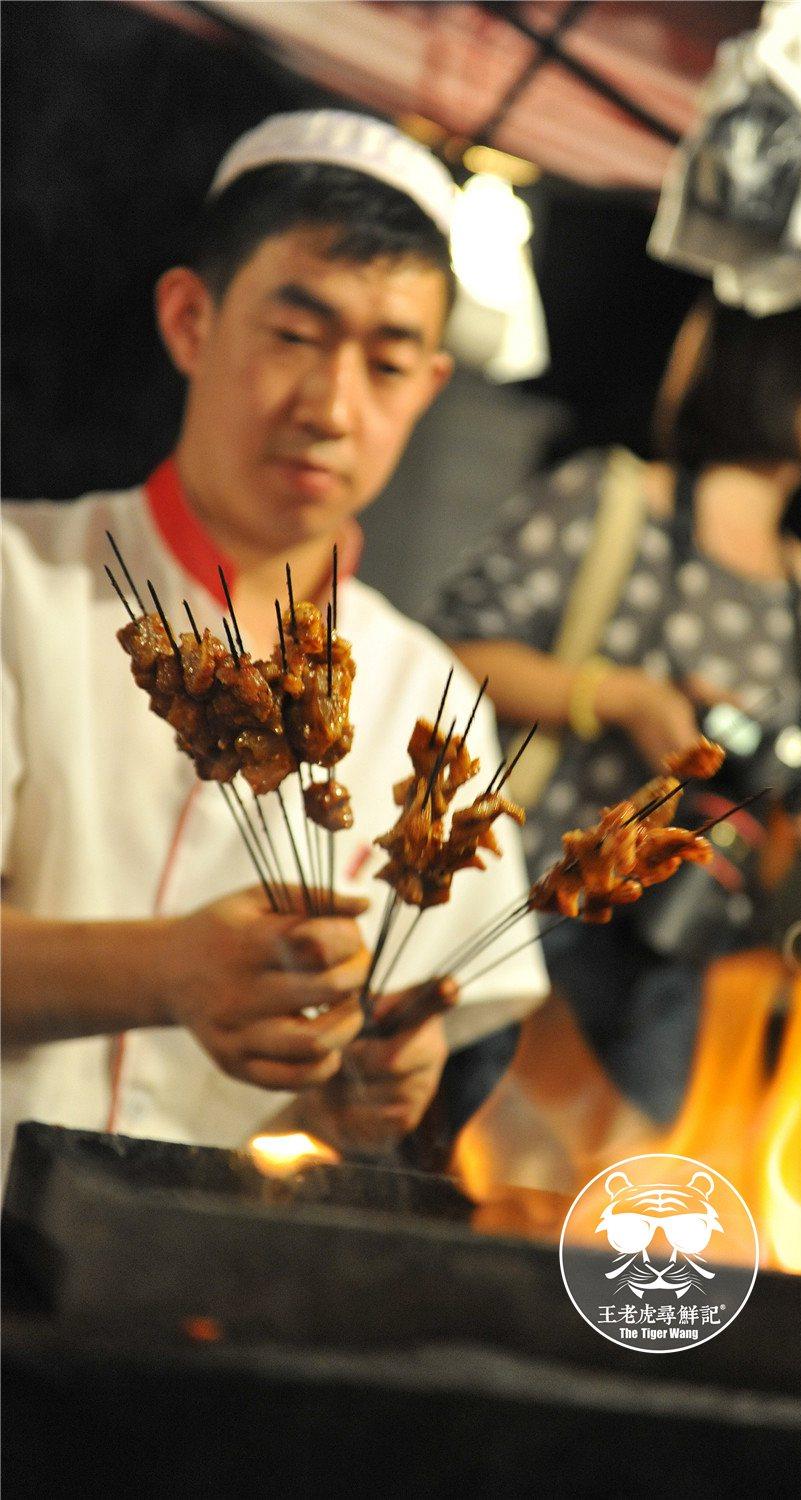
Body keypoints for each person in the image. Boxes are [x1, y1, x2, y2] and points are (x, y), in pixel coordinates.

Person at [1, 110, 547, 1174]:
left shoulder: (426, 695)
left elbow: (390, 1072)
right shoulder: (21, 582)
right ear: (191, 319)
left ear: (431, 386)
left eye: (387, 365)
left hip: (209, 1286)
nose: (330, 406)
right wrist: (165, 969)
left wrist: (371, 1089)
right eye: (295, 336)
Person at [427, 292, 801, 1118]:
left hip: (684, 958)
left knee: (621, 1225)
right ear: (775, 368)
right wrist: (621, 698)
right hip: (532, 917)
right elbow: (450, 656)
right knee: (448, 1182)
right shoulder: (609, 501)